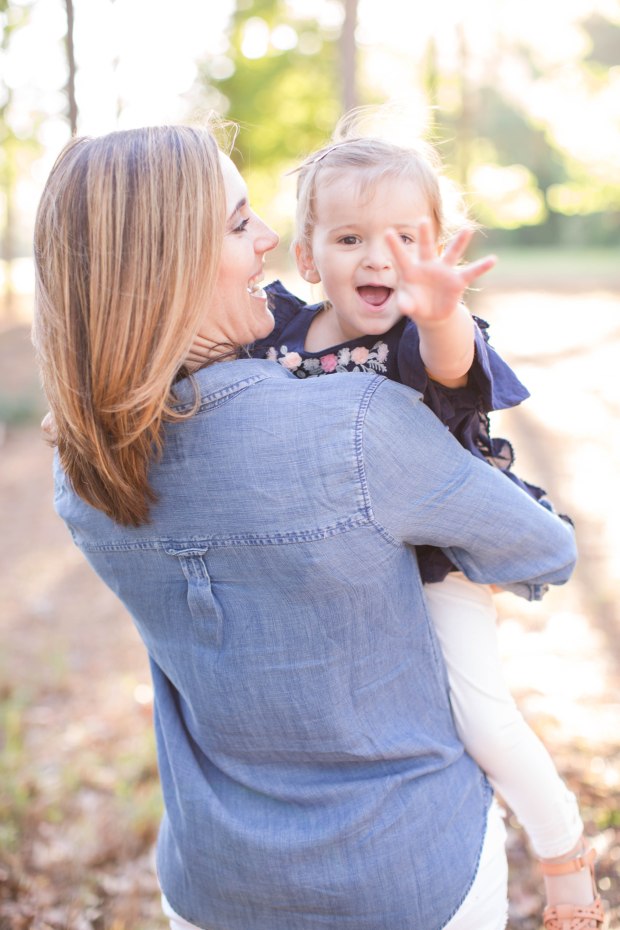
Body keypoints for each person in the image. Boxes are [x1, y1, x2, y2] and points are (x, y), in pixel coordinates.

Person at [34, 123, 579, 930]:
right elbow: (545, 547)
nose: (268, 237)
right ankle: (570, 858)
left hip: (215, 886)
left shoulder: (80, 473)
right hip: (402, 874)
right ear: (167, 264)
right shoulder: (355, 422)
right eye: (237, 221)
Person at [243, 128, 606, 930]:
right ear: (308, 259)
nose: (380, 258)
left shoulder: (416, 335)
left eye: (405, 240)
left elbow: (453, 366)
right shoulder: (281, 338)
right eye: (350, 238)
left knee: (478, 709)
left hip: (434, 560)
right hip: (335, 562)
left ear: (434, 249)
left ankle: (565, 857)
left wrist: (442, 311)